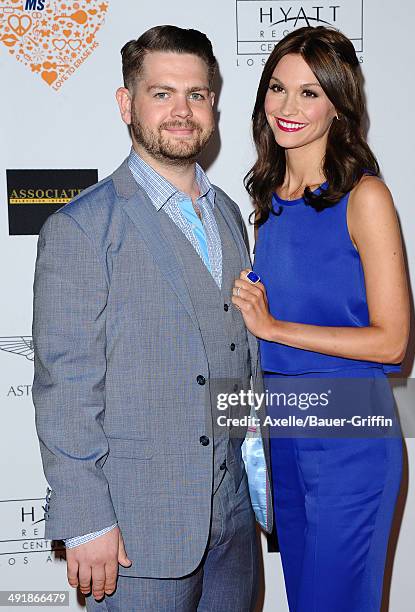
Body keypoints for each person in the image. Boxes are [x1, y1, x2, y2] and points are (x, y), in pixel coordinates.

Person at [32, 25, 272, 612]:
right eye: (161, 93)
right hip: (136, 530)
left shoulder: (228, 215)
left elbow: (236, 358)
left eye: (197, 94)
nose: (182, 111)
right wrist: (86, 521)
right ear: (126, 104)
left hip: (233, 521)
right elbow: (66, 385)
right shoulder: (82, 228)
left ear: (213, 104)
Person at [232, 26, 410, 611]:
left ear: (339, 104)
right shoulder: (266, 201)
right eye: (278, 89)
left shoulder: (365, 196)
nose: (288, 107)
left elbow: (392, 343)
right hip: (281, 431)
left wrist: (274, 327)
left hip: (350, 436)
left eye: (310, 93)